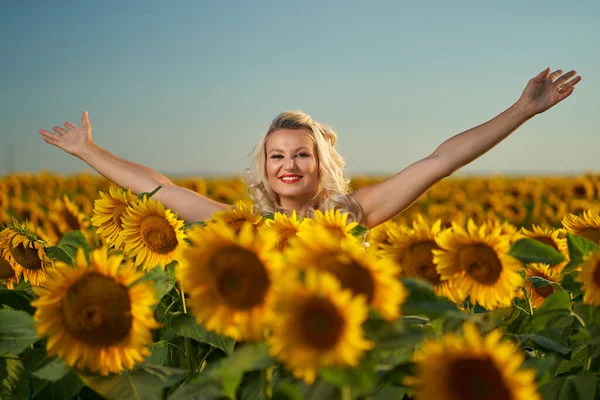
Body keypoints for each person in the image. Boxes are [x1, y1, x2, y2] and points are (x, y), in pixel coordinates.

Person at [39, 67, 581, 229]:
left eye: (301, 153)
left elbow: (439, 162)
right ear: (265, 169)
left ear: (321, 162)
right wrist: (90, 151)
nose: (289, 164)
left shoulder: (355, 214)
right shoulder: (243, 226)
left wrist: (521, 111)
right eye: (277, 156)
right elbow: (161, 189)